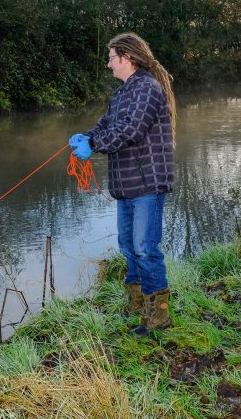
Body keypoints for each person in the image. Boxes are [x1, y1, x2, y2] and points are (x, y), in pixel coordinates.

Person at [69, 32, 176, 336]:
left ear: (127, 58)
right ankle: (138, 302)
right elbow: (108, 125)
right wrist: (87, 137)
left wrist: (95, 145)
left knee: (145, 248)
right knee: (129, 246)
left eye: (112, 58)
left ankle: (159, 314)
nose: (108, 64)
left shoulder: (147, 89)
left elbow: (130, 130)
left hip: (147, 182)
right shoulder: (123, 93)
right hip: (126, 183)